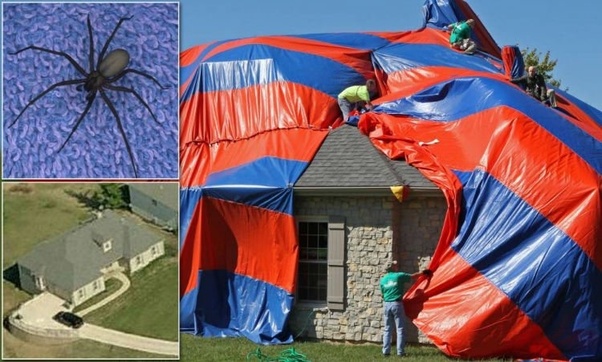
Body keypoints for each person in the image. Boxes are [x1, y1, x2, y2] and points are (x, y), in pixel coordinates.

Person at [380, 261, 432, 357]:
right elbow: (413, 276)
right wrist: (424, 273)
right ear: (393, 267)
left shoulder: (382, 280)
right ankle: (400, 352)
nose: (397, 265)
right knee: (400, 328)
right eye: (395, 265)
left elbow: (382, 294)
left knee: (387, 329)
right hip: (397, 304)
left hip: (386, 305)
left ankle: (385, 352)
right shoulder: (399, 276)